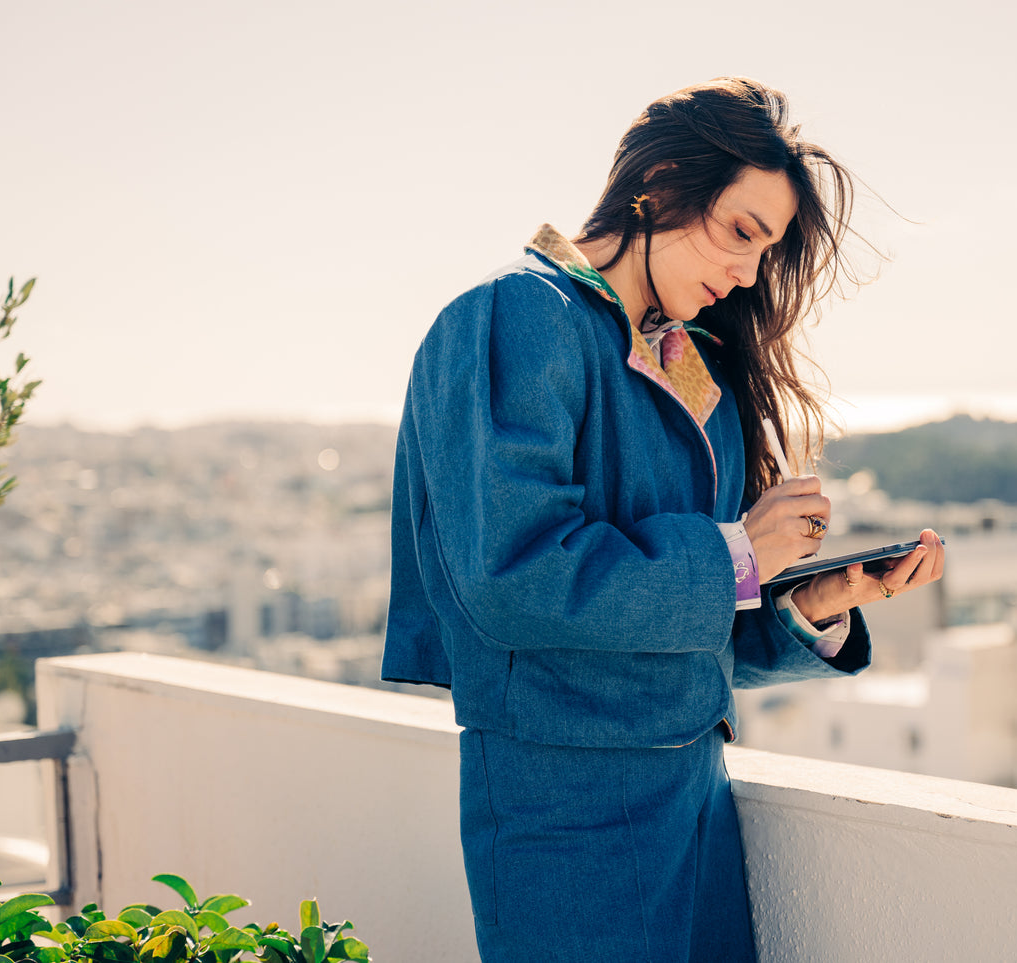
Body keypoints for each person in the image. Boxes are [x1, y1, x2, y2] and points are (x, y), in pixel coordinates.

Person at [382, 77, 944, 963]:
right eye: (741, 232)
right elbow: (512, 575)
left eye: (767, 251)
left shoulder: (694, 368)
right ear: (662, 182)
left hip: (695, 794)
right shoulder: (513, 317)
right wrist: (734, 550)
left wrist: (816, 598)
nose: (748, 273)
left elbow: (689, 628)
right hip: (563, 806)